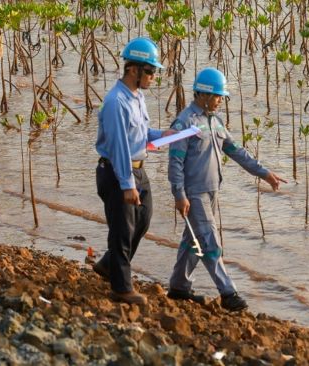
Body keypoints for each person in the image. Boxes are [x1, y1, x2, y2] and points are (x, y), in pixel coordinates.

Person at [167, 67, 286, 311]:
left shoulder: (216, 122)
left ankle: (178, 287)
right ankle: (228, 293)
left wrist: (264, 173)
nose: (221, 100)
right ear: (205, 95)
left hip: (212, 192)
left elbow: (235, 151)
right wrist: (179, 194)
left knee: (193, 241)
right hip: (194, 193)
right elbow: (175, 162)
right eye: (219, 96)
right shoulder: (186, 123)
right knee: (210, 241)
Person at [93, 37, 174, 305]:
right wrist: (127, 185)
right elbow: (118, 147)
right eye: (149, 71)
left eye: (154, 72)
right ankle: (121, 288)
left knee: (142, 220)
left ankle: (108, 265)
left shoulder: (136, 98)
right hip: (118, 172)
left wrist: (163, 135)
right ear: (133, 70)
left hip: (138, 168)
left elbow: (140, 134)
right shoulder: (116, 102)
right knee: (122, 229)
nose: (153, 77)